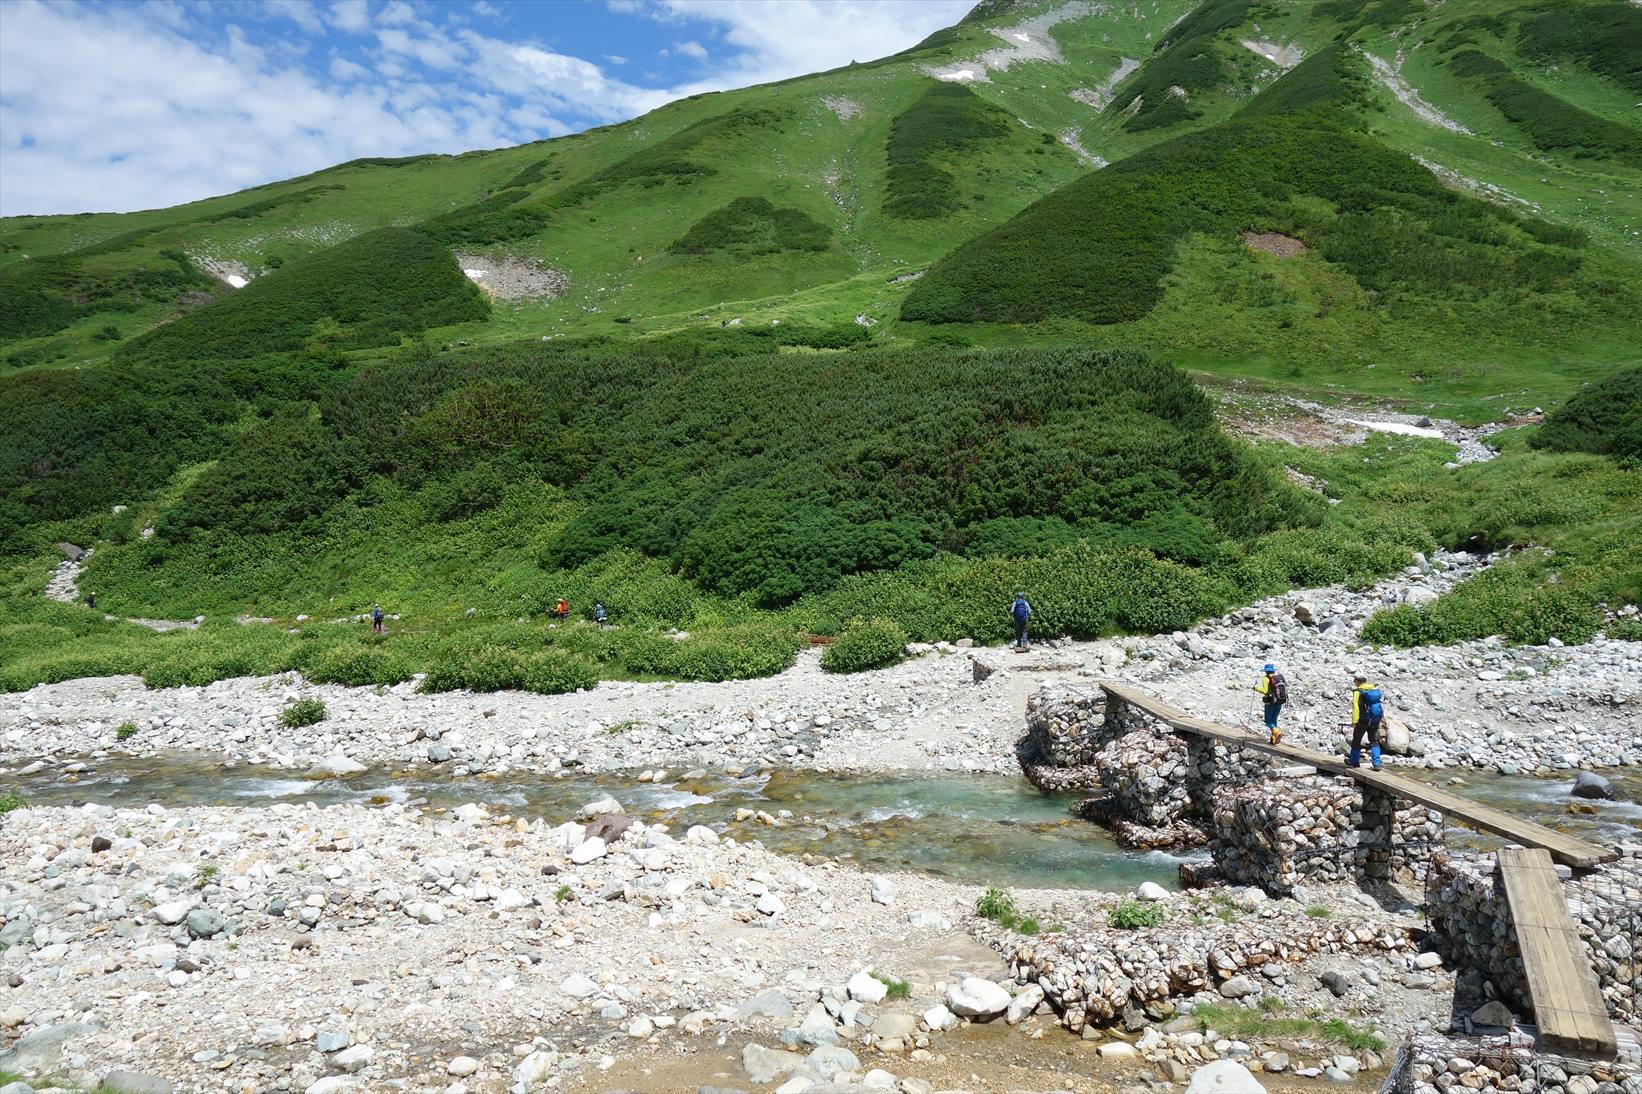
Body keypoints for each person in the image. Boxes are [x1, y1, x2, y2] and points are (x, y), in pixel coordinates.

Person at [1347, 669, 1384, 771]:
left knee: (1356, 741)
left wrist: (1354, 721)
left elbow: (1356, 707)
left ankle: (1354, 761)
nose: (1354, 682)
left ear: (1358, 681)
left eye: (1355, 680)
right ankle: (1377, 763)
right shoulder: (1373, 689)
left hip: (1362, 721)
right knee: (1374, 741)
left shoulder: (1358, 691)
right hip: (1375, 720)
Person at [1252, 663, 1288, 745]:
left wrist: (1255, 688)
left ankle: (1277, 732)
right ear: (1273, 671)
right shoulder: (1277, 678)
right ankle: (1273, 739)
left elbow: (1265, 691)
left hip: (1270, 702)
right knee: (1274, 720)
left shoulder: (1265, 678)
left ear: (1266, 671)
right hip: (1279, 701)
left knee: (1268, 720)